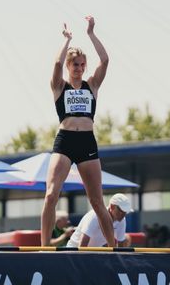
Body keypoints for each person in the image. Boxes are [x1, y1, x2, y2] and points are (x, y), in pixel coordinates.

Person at [41, 16, 115, 247]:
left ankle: (114, 249)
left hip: (86, 143)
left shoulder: (91, 85)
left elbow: (105, 59)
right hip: (65, 142)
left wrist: (91, 33)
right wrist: (67, 41)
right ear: (68, 66)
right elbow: (55, 65)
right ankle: (44, 247)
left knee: (97, 202)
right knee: (51, 194)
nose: (80, 68)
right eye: (75, 65)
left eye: (83, 64)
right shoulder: (59, 86)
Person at [66, 193, 132, 247]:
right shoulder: (94, 216)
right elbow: (82, 244)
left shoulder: (122, 220)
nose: (123, 214)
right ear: (112, 206)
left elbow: (121, 245)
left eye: (125, 212)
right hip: (73, 251)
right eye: (121, 211)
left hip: (91, 253)